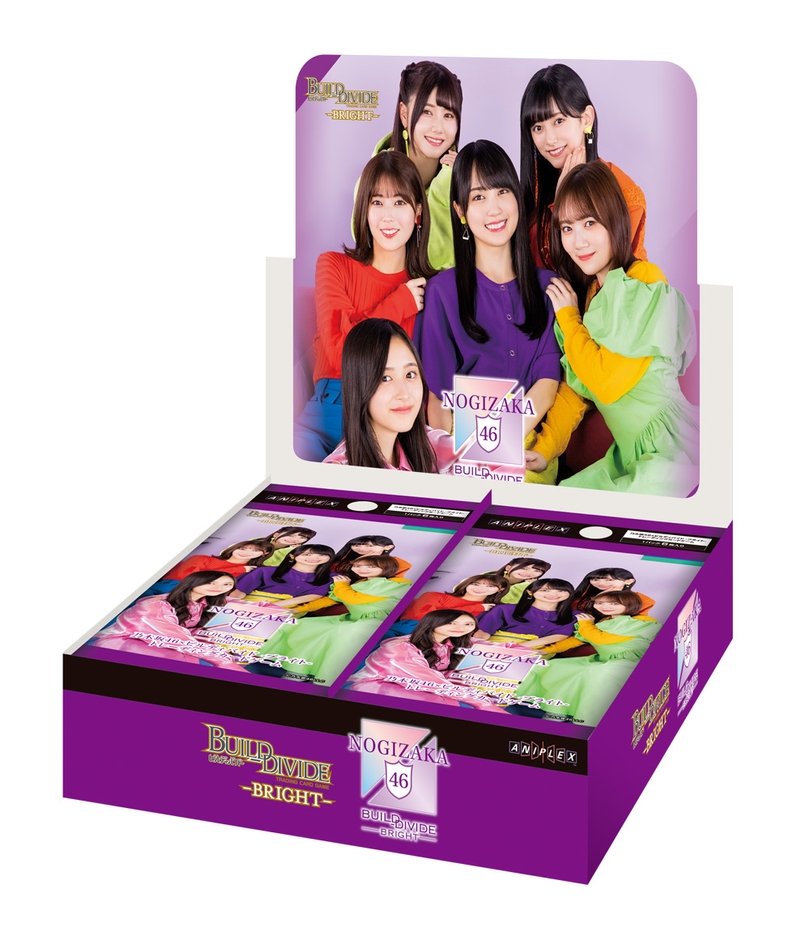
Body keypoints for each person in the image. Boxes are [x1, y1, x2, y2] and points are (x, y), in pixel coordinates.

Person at [529, 161, 698, 496]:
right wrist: (545, 449)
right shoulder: (589, 298)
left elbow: (605, 384)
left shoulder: (645, 280)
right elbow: (576, 391)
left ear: (615, 219)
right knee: (561, 502)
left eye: (589, 223)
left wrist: (569, 318)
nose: (578, 242)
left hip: (673, 449)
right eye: (567, 228)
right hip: (627, 458)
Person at [415, 140, 560, 482]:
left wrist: (501, 446)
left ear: (517, 198)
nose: (494, 208)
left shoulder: (549, 288)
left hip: (528, 448)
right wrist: (462, 460)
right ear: (460, 210)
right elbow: (438, 400)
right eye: (478, 197)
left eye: (502, 192)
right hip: (461, 448)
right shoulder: (442, 292)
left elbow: (547, 382)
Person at [295, 151, 433, 461]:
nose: (388, 216)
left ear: (418, 212)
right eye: (377, 202)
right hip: (330, 416)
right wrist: (400, 302)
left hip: (396, 429)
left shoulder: (431, 289)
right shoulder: (333, 266)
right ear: (364, 210)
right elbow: (339, 351)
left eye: (400, 202)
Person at [519, 63, 647, 270]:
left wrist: (564, 198)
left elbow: (600, 274)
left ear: (586, 118)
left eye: (558, 121)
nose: (550, 139)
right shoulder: (533, 183)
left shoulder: (623, 191)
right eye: (538, 127)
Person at [357, 60, 463, 272]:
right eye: (427, 112)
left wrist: (453, 181)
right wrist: (441, 193)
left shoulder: (464, 178)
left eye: (448, 115)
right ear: (404, 114)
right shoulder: (373, 180)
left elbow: (465, 262)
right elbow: (397, 264)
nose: (438, 127)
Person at [251, 555, 412, 685]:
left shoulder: (398, 584)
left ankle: (316, 677)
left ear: (387, 568)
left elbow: (354, 599)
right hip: (351, 619)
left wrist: (342, 585)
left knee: (340, 633)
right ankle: (297, 670)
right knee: (300, 624)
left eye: (370, 566)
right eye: (358, 565)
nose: (362, 569)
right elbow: (329, 600)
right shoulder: (358, 583)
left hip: (375, 622)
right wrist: (298, 609)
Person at [324, 319, 458, 472]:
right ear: (359, 386)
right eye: (385, 378)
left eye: (410, 374)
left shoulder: (430, 443)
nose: (404, 394)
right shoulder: (337, 473)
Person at [511, 590, 661, 726]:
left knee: (595, 675)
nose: (605, 606)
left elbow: (601, 638)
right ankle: (557, 711)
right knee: (554, 667)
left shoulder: (642, 622)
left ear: (630, 604)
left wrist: (586, 624)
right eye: (599, 603)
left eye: (614, 603)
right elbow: (578, 640)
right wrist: (547, 650)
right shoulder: (604, 622)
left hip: (632, 662)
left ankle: (583, 720)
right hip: (603, 660)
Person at [347, 609, 502, 711]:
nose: (461, 628)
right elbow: (430, 681)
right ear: (433, 623)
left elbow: (497, 647)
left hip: (425, 682)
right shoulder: (400, 648)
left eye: (468, 624)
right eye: (451, 622)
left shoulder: (453, 640)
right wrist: (481, 702)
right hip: (382, 685)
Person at [89, 572, 245, 670]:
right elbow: (174, 636)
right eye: (211, 582)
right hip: (125, 642)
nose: (218, 587)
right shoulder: (155, 605)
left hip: (166, 640)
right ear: (194, 581)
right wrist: (222, 659)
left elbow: (243, 604)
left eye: (227, 584)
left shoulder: (204, 601)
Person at [382, 573, 509, 640]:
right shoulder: (434, 595)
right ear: (467, 584)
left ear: (500, 590)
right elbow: (423, 616)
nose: (480, 588)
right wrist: (476, 609)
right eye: (476, 584)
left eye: (490, 586)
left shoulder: (494, 610)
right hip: (412, 627)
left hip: (447, 638)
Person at [475, 578, 576, 649]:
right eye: (545, 590)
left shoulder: (574, 616)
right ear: (530, 592)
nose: (553, 594)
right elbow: (483, 632)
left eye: (561, 591)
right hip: (496, 646)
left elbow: (560, 636)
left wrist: (518, 648)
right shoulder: (504, 609)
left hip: (536, 652)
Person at [229, 544, 336, 607]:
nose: (314, 558)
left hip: (289, 610)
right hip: (252, 604)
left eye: (322, 555)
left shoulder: (332, 578)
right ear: (292, 556)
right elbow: (239, 592)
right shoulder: (265, 571)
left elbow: (315, 595)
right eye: (307, 554)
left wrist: (273, 607)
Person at [482, 557, 552, 604]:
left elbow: (508, 603)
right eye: (524, 568)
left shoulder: (531, 588)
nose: (529, 573)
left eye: (537, 571)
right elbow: (495, 599)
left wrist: (526, 586)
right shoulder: (483, 579)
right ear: (508, 567)